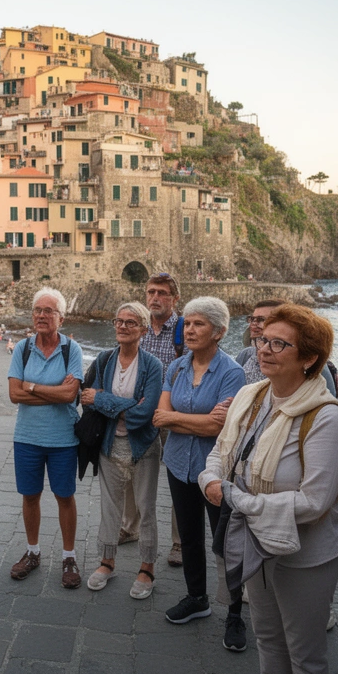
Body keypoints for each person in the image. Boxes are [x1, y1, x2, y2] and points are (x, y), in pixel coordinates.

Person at [201, 303, 338, 674]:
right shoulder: (252, 396)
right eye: (263, 339)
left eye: (279, 344)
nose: (263, 349)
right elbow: (222, 451)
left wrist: (237, 500)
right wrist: (209, 479)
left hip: (304, 555)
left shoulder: (324, 415)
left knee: (306, 655)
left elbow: (315, 501)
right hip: (255, 541)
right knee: (267, 638)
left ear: (309, 358)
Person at [153, 297, 247, 635]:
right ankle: (197, 598)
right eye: (187, 324)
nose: (189, 330)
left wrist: (180, 418)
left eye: (198, 324)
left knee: (226, 542)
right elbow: (160, 418)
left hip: (216, 471)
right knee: (190, 536)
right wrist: (198, 419)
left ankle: (235, 612)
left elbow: (218, 428)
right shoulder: (176, 367)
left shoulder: (232, 372)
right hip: (178, 464)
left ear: (219, 331)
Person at [81, 302, 164, 599]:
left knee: (146, 509)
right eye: (119, 321)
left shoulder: (153, 365)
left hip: (143, 446)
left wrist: (103, 399)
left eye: (131, 322)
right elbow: (86, 398)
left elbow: (145, 415)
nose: (123, 326)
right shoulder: (104, 360)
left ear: (143, 329)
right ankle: (107, 562)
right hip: (108, 444)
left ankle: (147, 568)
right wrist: (121, 406)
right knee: (109, 508)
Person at [7, 287, 84, 588]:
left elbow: (70, 394)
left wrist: (33, 387)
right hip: (27, 437)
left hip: (63, 438)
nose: (41, 315)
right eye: (37, 310)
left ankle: (69, 556)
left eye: (48, 311)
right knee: (30, 496)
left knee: (64, 496)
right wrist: (52, 393)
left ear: (60, 318)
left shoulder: (71, 350)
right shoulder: (23, 349)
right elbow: (14, 395)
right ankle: (33, 551)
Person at [128, 272, 186, 565]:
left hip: (173, 415)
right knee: (131, 468)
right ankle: (130, 527)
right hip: (141, 413)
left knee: (177, 476)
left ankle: (179, 543)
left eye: (163, 293)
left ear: (175, 299)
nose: (155, 298)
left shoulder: (185, 330)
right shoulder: (139, 328)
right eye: (151, 292)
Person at [235, 299, 287, 385]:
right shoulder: (245, 355)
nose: (254, 323)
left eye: (261, 319)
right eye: (252, 319)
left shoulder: (283, 359)